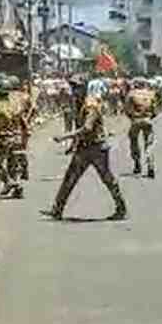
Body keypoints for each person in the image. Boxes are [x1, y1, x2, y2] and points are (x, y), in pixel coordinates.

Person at [42, 80, 128, 221]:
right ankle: (57, 209)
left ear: (83, 90)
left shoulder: (90, 105)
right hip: (85, 147)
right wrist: (74, 144)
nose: (73, 92)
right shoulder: (80, 104)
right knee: (70, 178)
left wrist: (65, 137)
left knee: (107, 179)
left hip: (96, 148)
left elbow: (87, 128)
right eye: (73, 89)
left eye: (76, 89)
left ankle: (121, 207)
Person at [0, 74, 31, 199]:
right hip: (17, 137)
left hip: (3, 139)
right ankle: (18, 187)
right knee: (14, 165)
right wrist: (25, 135)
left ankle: (9, 182)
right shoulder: (15, 105)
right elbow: (23, 121)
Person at [125, 77, 159, 178]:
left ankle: (137, 163)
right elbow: (156, 109)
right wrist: (150, 116)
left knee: (134, 141)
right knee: (149, 144)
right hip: (147, 120)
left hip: (136, 120)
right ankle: (150, 165)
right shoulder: (150, 94)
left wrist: (132, 117)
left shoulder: (131, 94)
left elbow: (127, 108)